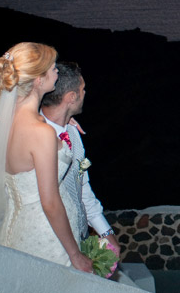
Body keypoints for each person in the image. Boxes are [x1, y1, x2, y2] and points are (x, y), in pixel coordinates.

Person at [0, 43, 92, 272]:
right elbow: (49, 202)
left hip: (16, 227)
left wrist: (63, 124)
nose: (57, 72)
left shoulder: (4, 122)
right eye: (52, 69)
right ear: (39, 80)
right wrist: (75, 254)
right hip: (46, 234)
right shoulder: (40, 133)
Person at [40, 62, 120, 254]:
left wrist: (106, 232)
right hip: (47, 240)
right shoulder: (35, 136)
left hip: (78, 236)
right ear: (71, 97)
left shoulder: (74, 133)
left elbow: (82, 186)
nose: (85, 93)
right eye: (82, 89)